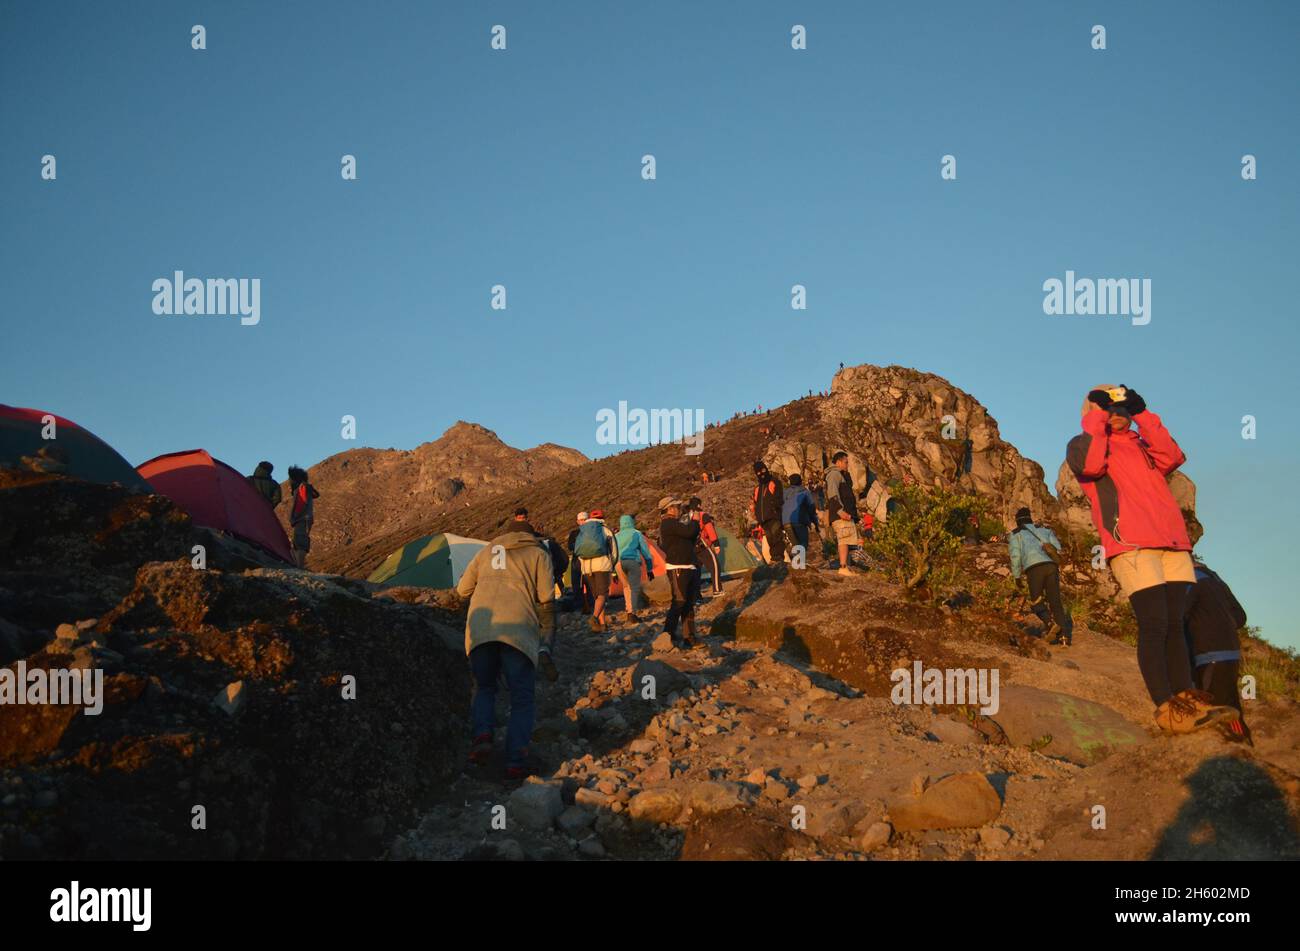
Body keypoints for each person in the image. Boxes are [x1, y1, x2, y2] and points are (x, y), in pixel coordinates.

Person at [1067, 385, 1236, 734]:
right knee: (1155, 624)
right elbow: (1093, 467)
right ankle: (1166, 708)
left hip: (1172, 543)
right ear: (1093, 412)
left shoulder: (1141, 445)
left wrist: (1143, 413)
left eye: (1120, 408)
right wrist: (1097, 416)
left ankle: (1188, 698)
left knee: (1176, 626)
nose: (1116, 413)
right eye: (1106, 408)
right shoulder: (1083, 444)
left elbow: (1172, 455)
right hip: (1131, 545)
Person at [457, 514, 557, 781]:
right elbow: (546, 597)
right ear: (530, 534)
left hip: (481, 629)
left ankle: (483, 737)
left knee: (485, 687)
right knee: (522, 698)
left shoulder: (486, 550)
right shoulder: (538, 552)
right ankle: (515, 761)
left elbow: (462, 590)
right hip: (518, 630)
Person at [1184, 560, 1251, 744]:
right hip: (1230, 652)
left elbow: (1178, 616)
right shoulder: (1214, 577)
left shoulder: (1189, 579)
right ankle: (1246, 754)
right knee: (1230, 707)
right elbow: (1240, 617)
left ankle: (1238, 755)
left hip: (1209, 654)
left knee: (1217, 710)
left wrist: (1201, 627)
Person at [1008, 507, 1073, 645]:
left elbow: (1015, 556)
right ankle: (1064, 638)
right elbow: (1057, 547)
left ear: (1017, 521)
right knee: (1055, 601)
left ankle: (1049, 623)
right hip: (1051, 566)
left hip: (1034, 569)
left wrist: (1017, 576)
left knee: (1036, 602)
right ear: (1029, 518)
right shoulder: (1044, 530)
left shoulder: (1015, 534)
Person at [658, 498, 701, 649]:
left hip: (686, 566)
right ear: (669, 509)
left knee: (687, 603)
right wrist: (695, 521)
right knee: (680, 601)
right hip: (677, 566)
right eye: (677, 507)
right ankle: (668, 633)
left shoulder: (674, 524)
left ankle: (689, 637)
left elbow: (690, 536)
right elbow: (689, 532)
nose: (679, 509)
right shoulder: (668, 523)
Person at [573, 509, 619, 631]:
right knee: (603, 595)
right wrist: (612, 565)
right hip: (602, 566)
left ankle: (602, 624)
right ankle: (594, 617)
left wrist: (584, 567)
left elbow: (578, 552)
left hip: (587, 568)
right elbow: (614, 550)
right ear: (603, 518)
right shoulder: (605, 530)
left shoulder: (583, 532)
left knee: (597, 596)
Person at [614, 514, 655, 621]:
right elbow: (646, 553)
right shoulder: (636, 533)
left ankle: (628, 611)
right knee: (634, 588)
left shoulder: (616, 536)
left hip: (618, 564)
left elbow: (613, 554)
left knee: (626, 587)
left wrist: (613, 573)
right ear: (631, 522)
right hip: (632, 562)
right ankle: (632, 613)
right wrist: (650, 569)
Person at [824, 451, 859, 576]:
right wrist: (840, 511)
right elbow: (833, 494)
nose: (847, 464)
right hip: (840, 513)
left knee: (847, 539)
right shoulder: (834, 474)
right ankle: (843, 567)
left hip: (844, 513)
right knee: (844, 540)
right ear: (838, 462)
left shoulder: (841, 475)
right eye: (846, 462)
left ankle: (846, 566)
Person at [750, 461, 785, 563]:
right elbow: (755, 502)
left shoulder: (774, 482)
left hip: (773, 516)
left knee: (776, 537)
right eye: (758, 473)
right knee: (770, 539)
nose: (761, 474)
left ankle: (778, 558)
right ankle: (774, 558)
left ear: (766, 469)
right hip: (763, 518)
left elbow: (779, 498)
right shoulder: (757, 488)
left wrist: (774, 508)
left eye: (763, 470)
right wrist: (756, 514)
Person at [686, 497, 722, 595]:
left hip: (691, 547)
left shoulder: (686, 516)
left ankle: (696, 596)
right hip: (702, 545)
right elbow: (710, 530)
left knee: (696, 572)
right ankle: (717, 590)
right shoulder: (703, 515)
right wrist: (716, 544)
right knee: (715, 566)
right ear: (698, 505)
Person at [286, 466, 319, 569]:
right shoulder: (304, 487)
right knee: (299, 540)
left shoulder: (302, 487)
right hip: (305, 518)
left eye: (290, 478)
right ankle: (298, 565)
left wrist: (294, 517)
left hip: (302, 519)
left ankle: (299, 566)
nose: (289, 481)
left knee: (300, 541)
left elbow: (301, 502)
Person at [782, 473, 818, 563]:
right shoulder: (804, 491)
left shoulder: (785, 492)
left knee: (795, 545)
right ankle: (799, 567)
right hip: (799, 520)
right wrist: (815, 522)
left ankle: (797, 565)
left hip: (786, 522)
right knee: (803, 544)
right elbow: (811, 507)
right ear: (800, 481)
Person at [566, 512, 591, 614]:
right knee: (576, 583)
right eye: (581, 520)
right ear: (577, 521)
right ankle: (579, 603)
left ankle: (590, 602)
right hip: (577, 560)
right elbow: (570, 546)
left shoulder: (591, 532)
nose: (583, 522)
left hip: (588, 559)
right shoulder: (574, 533)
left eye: (584, 519)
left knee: (590, 582)